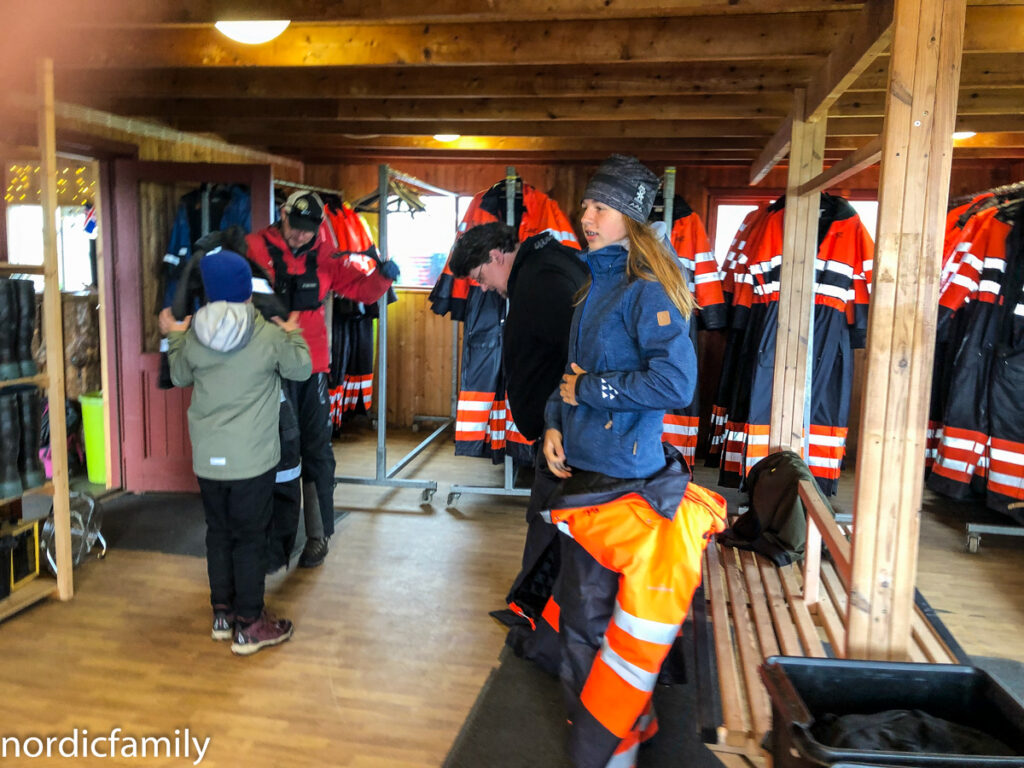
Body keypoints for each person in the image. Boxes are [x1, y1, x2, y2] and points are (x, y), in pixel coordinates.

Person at [541, 155, 726, 768]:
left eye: (600, 207)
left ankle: (607, 752)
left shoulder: (648, 285)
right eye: (586, 205)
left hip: (618, 483)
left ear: (632, 217)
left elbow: (676, 384)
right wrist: (551, 423)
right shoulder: (595, 282)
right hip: (583, 471)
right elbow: (568, 376)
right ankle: (618, 736)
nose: (586, 216)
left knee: (589, 627)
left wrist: (585, 393)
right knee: (586, 620)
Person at [448, 222, 589, 673]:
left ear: (495, 255)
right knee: (544, 520)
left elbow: (579, 355)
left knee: (553, 522)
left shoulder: (544, 279)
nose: (480, 287)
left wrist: (554, 421)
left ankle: (541, 623)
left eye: (478, 276)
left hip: (565, 432)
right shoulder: (535, 273)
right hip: (556, 430)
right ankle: (528, 609)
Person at [160, 249, 312, 656]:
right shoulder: (266, 333)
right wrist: (294, 331)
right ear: (247, 291)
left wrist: (173, 335)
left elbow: (176, 375)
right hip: (252, 460)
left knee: (219, 535)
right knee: (249, 539)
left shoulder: (192, 334)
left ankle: (223, 616)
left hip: (208, 460)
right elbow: (301, 369)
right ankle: (250, 625)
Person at [245, 191, 398, 568]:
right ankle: (273, 545)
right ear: (282, 214)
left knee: (316, 450)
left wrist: (382, 278)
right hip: (267, 367)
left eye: (307, 232)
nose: (299, 237)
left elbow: (360, 289)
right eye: (295, 229)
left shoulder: (327, 256)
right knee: (274, 453)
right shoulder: (253, 248)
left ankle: (317, 536)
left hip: (312, 367)